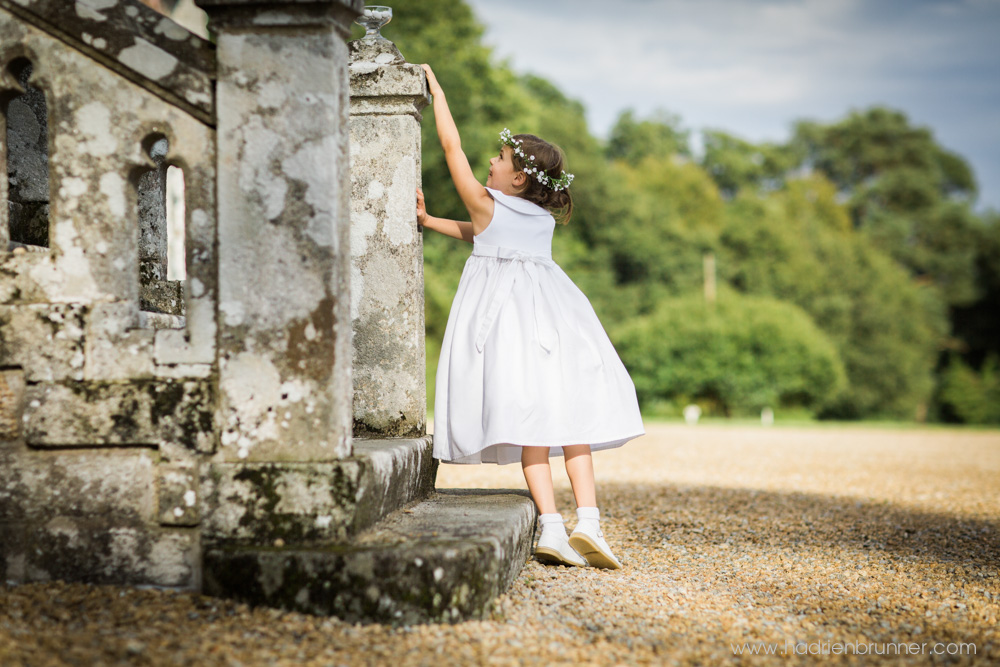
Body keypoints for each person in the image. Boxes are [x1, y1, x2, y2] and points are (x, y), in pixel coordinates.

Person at [416, 64, 644, 570]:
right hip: (558, 317)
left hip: (511, 328)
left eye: (497, 158)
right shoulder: (538, 217)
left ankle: (552, 526)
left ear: (516, 177)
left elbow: (451, 151)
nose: (489, 164)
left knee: (530, 426)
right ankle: (590, 522)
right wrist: (432, 221)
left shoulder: (485, 202)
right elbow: (484, 235)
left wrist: (439, 94)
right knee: (572, 420)